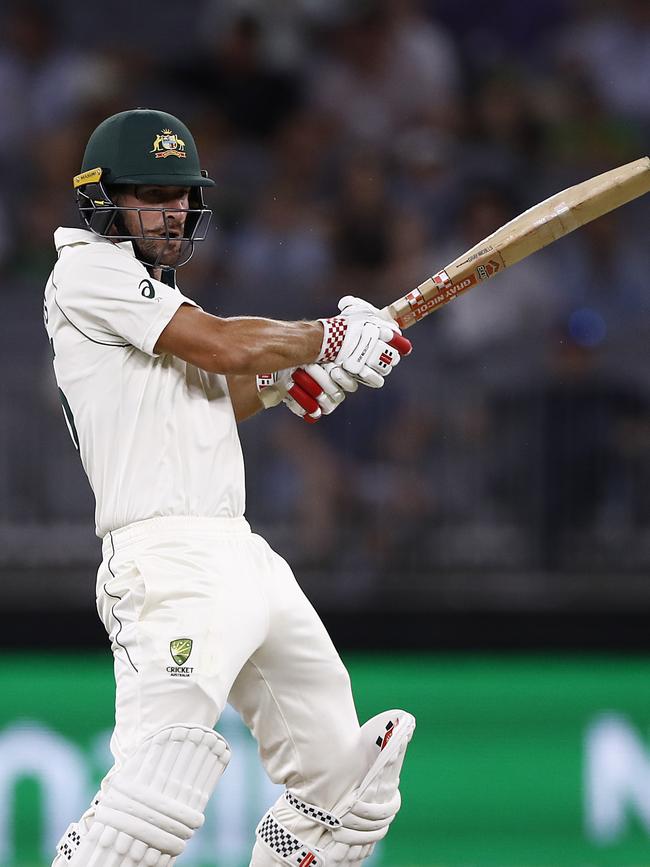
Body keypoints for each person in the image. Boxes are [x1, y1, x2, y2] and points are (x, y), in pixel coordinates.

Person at [44, 108, 415, 867]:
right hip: (163, 562)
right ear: (102, 198)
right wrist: (328, 337)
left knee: (343, 787)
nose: (171, 211)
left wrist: (291, 382)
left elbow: (214, 392)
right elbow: (217, 343)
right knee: (153, 798)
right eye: (150, 192)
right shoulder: (86, 270)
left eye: (180, 195)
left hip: (241, 552)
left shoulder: (152, 302)